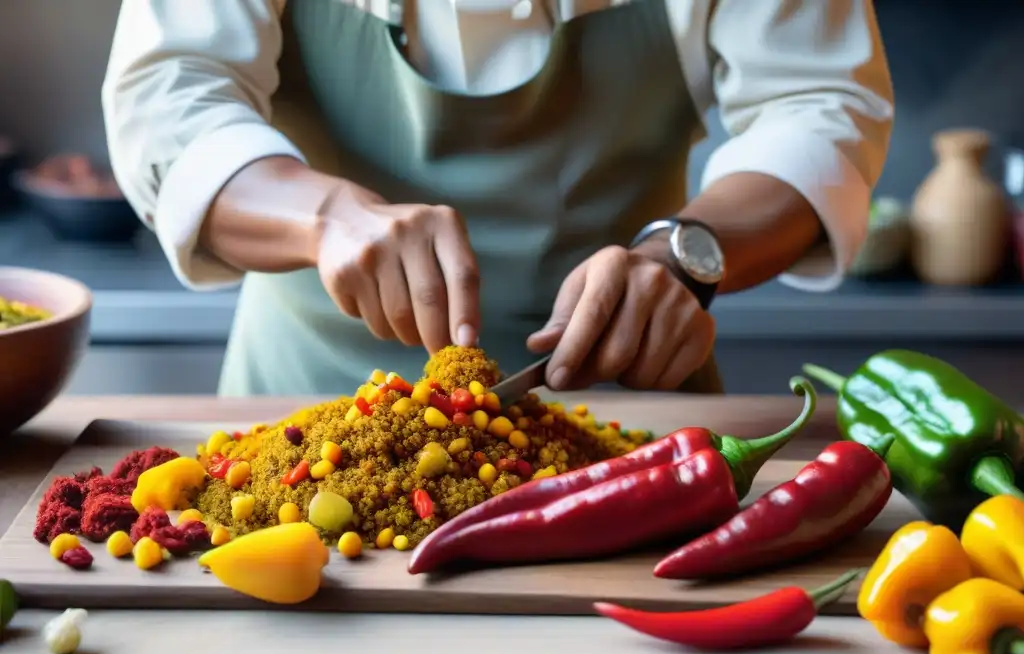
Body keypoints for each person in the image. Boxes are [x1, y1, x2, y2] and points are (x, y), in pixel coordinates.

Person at [102, 0, 893, 397]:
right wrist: (325, 219)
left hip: (630, 428)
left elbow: (821, 105)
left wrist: (685, 254)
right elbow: (169, 96)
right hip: (298, 414)